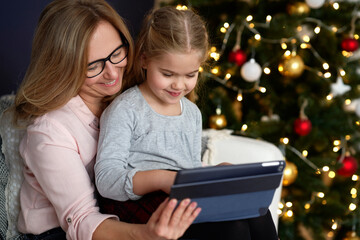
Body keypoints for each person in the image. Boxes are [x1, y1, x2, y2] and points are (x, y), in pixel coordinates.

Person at [11, 0, 201, 239]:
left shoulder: (131, 98)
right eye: (93, 66)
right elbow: (81, 220)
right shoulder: (50, 130)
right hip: (62, 232)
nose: (112, 73)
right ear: (64, 67)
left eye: (116, 54)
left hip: (124, 213)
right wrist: (147, 235)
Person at [94, 6, 279, 240]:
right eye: (168, 74)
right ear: (144, 60)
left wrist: (213, 175)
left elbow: (189, 168)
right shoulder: (125, 109)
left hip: (180, 199)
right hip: (139, 202)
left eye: (190, 75)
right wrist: (164, 179)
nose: (179, 86)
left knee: (255, 208)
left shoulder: (191, 113)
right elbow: (106, 179)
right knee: (234, 229)